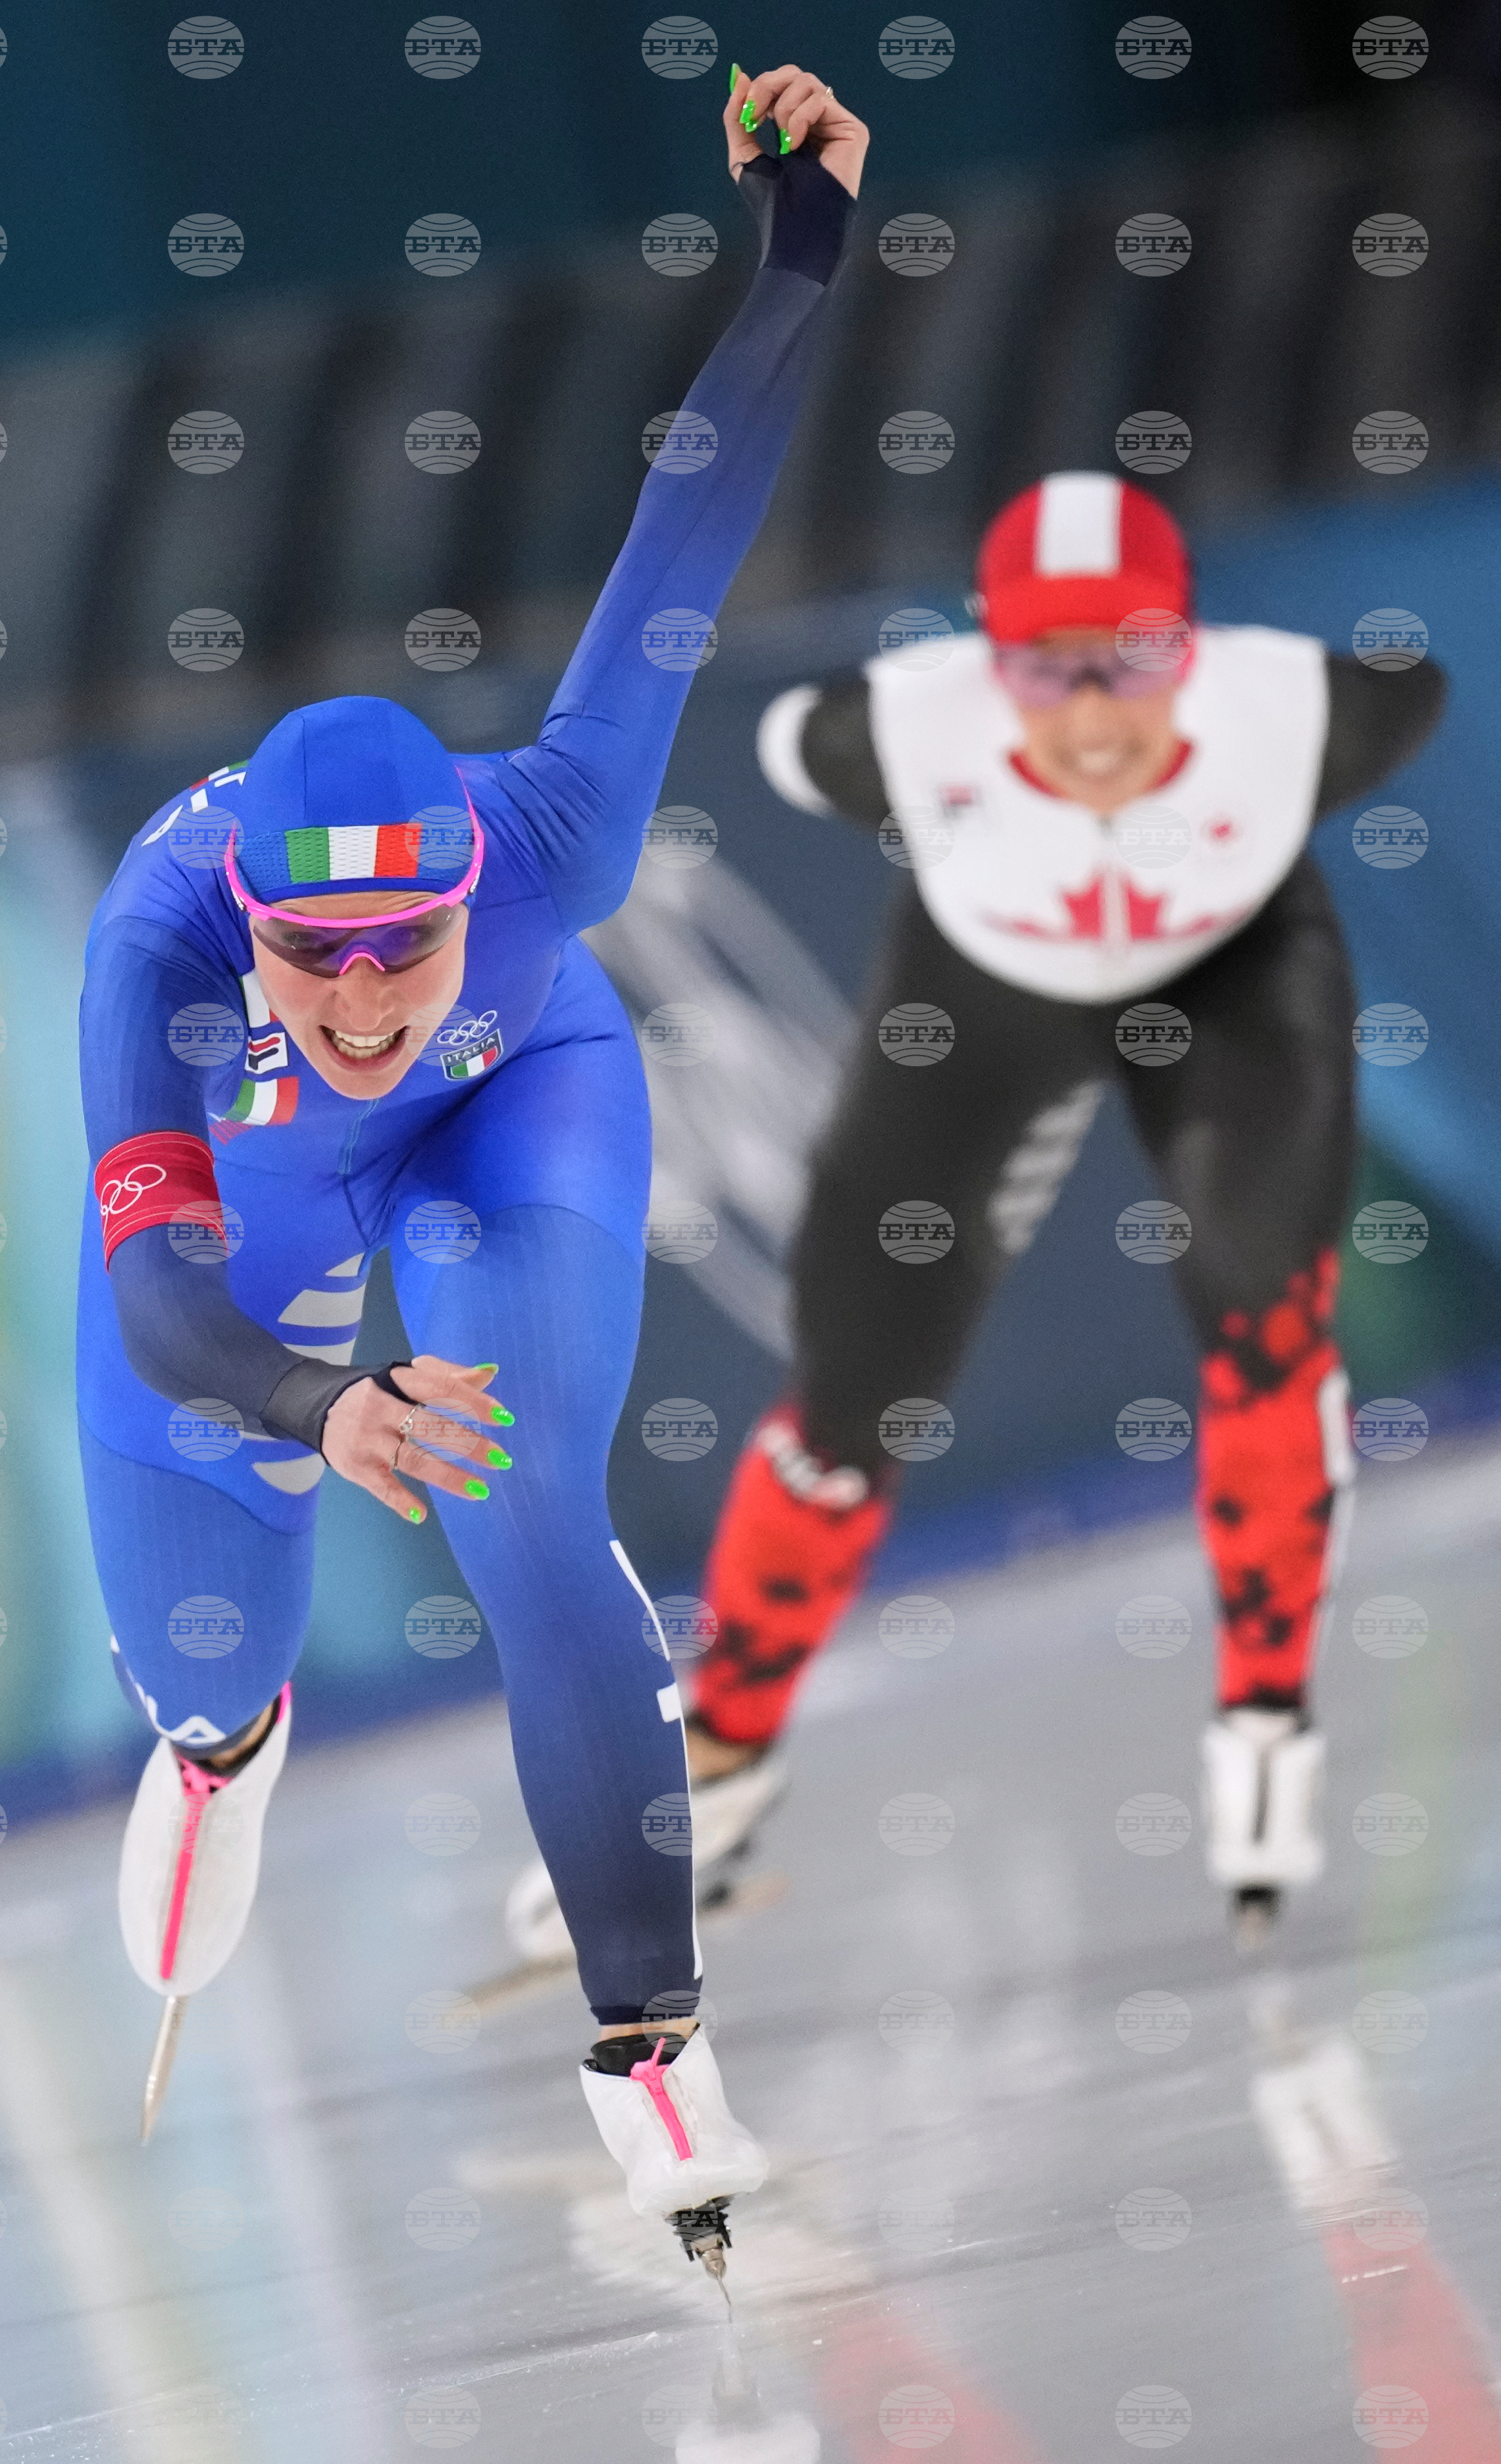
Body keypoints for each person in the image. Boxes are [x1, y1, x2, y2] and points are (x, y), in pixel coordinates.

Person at [76, 60, 867, 2270]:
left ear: (459, 889)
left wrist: (804, 236)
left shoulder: (554, 835)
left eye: (397, 945)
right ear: (248, 922)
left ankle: (647, 2039)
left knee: (526, 1493)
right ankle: (222, 1749)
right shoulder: (153, 966)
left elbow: (687, 514)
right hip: (257, 1227)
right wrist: (320, 1404)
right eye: (308, 958)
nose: (351, 996)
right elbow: (159, 1303)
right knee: (211, 1660)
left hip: (531, 1101)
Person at [510, 469, 1444, 1960]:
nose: (1087, 719)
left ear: (1192, 646)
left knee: (1266, 1315)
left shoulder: (1306, 715)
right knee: (849, 1399)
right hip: (982, 996)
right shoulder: (893, 725)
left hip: (1235, 978)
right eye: (1042, 668)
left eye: (1130, 659)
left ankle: (1267, 1712)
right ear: (985, 664)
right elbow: (774, 737)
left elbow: (1423, 685)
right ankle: (728, 1748)